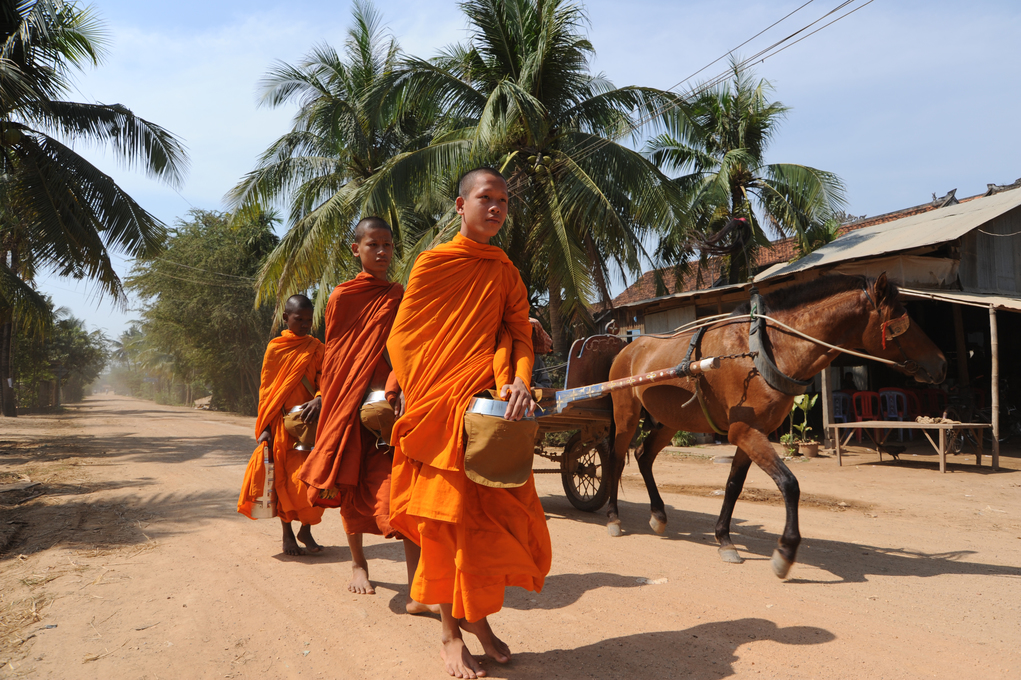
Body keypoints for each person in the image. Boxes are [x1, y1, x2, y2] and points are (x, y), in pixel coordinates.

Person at [387, 168, 552, 678]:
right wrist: (433, 392)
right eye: (486, 198)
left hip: (486, 410)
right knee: (445, 523)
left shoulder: (507, 272)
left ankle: (477, 621)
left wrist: (520, 379)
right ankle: (450, 634)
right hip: (440, 411)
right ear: (461, 206)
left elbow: (518, 335)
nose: (497, 207)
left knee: (489, 524)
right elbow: (406, 339)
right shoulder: (433, 264)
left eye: (504, 200)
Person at [298, 217, 434, 613]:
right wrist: (332, 396)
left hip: (390, 407)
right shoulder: (342, 296)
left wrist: (399, 385)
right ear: (355, 249)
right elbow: (338, 355)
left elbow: (410, 343)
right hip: (349, 404)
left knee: (402, 492)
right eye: (373, 244)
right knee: (351, 484)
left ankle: (417, 588)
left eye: (388, 245)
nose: (382, 251)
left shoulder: (398, 294)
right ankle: (358, 563)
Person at [238, 294, 325, 556]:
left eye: (309, 320)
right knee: (284, 482)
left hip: (313, 426)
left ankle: (306, 530)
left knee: (316, 481)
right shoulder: (276, 349)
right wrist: (264, 425)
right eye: (299, 319)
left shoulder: (317, 348)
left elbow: (326, 380)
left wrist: (320, 399)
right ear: (286, 318)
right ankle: (288, 535)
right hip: (282, 426)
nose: (305, 325)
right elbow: (267, 390)